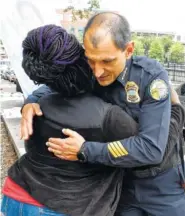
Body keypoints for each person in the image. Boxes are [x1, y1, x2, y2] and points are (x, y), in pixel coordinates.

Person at [20, 12, 185, 216]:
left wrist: (86, 150)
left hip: (161, 187)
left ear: (129, 50)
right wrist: (31, 101)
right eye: (91, 61)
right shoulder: (91, 68)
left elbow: (152, 149)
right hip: (118, 185)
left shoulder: (150, 77)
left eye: (107, 61)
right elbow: (59, 83)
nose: (97, 72)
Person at [1, 24, 140, 216]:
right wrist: (174, 108)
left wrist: (29, 101)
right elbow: (148, 149)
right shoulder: (111, 117)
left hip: (16, 196)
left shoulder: (37, 106)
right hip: (72, 208)